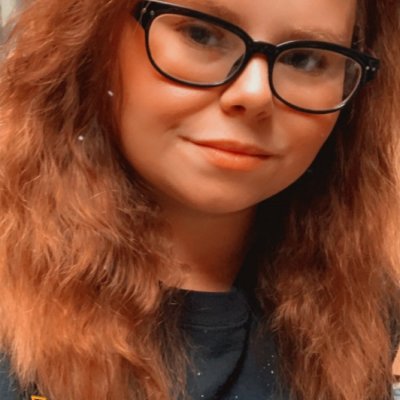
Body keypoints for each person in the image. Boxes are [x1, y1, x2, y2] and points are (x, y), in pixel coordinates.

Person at [0, 0, 399, 399]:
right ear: (92, 36)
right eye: (201, 34)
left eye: (305, 60)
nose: (255, 94)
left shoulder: (362, 312)